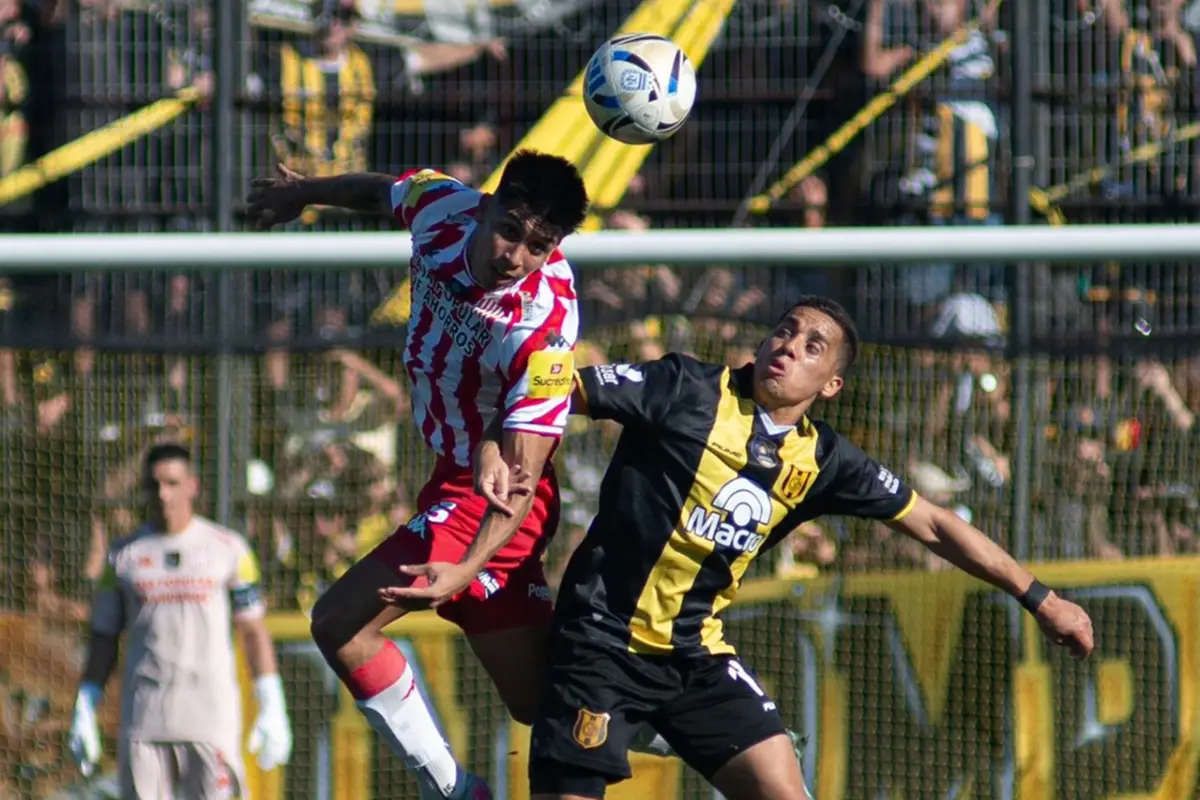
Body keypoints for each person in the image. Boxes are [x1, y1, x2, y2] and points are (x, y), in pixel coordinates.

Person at [458, 296, 1095, 800]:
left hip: (693, 657)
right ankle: (638, 726)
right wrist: (492, 441)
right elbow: (554, 386)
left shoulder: (821, 460)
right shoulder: (684, 388)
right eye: (784, 332)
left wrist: (1040, 597)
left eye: (811, 346)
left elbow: (932, 524)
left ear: (831, 385)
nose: (787, 347)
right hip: (599, 642)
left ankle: (662, 725)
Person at [245, 151, 591, 800]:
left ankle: (457, 793)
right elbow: (381, 191)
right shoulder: (444, 208)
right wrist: (306, 194)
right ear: (485, 204)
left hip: (495, 499)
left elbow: (522, 472)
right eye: (510, 229)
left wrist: (467, 565)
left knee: (339, 623)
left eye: (538, 246)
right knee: (544, 708)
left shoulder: (545, 327)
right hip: (454, 477)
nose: (515, 254)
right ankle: (696, 723)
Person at [67, 444, 293, 799]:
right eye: (154, 484)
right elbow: (104, 636)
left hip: (210, 722)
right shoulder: (122, 557)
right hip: (145, 723)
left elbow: (253, 630)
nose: (163, 493)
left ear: (193, 485)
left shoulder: (229, 549)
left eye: (172, 483)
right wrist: (85, 705)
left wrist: (272, 702)